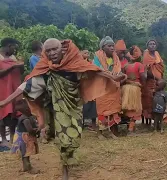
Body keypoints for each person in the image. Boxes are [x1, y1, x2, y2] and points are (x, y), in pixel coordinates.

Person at [0, 38, 124, 180]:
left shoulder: (74, 64)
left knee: (74, 137)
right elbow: (27, 85)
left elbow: (93, 71)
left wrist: (113, 77)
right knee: (63, 139)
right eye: (48, 51)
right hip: (56, 109)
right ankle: (65, 171)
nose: (52, 53)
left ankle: (68, 160)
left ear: (62, 49)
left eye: (55, 49)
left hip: (74, 107)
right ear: (44, 53)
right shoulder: (45, 69)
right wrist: (5, 101)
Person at [93, 36, 123, 139]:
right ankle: (100, 133)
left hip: (113, 88)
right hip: (102, 88)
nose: (112, 48)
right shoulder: (97, 56)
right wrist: (111, 76)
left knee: (113, 110)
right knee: (102, 110)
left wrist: (119, 76)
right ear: (103, 47)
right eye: (109, 46)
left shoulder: (116, 58)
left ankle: (110, 132)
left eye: (113, 46)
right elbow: (97, 70)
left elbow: (118, 70)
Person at [0, 38, 23, 147]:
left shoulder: (13, 58)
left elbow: (20, 72)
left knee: (14, 113)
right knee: (2, 115)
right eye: (14, 47)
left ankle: (13, 137)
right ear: (9, 46)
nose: (15, 50)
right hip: (3, 91)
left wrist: (20, 66)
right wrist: (13, 66)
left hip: (13, 90)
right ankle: (4, 139)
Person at [11, 98, 40, 174]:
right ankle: (28, 168)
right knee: (26, 155)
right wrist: (37, 130)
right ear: (27, 109)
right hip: (24, 139)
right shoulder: (25, 119)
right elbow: (30, 130)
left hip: (24, 137)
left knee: (25, 155)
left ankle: (25, 167)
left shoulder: (29, 117)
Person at [122, 46, 146, 134]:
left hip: (126, 88)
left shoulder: (125, 65)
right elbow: (143, 76)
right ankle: (131, 129)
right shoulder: (139, 65)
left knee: (128, 108)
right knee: (135, 108)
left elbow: (122, 78)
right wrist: (143, 85)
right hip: (135, 88)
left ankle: (130, 127)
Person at [142, 40, 165, 125]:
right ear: (147, 46)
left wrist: (161, 79)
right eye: (150, 44)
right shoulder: (146, 55)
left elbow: (161, 66)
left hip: (159, 81)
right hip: (150, 81)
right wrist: (155, 77)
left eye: (154, 44)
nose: (152, 45)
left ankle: (157, 121)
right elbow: (145, 70)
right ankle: (150, 120)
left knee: (159, 99)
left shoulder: (157, 54)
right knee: (150, 100)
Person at [81, 50, 97, 130]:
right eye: (85, 53)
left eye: (88, 53)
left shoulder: (91, 63)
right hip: (83, 86)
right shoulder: (79, 63)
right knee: (83, 106)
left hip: (91, 85)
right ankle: (81, 124)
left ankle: (93, 124)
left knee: (93, 105)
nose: (87, 54)